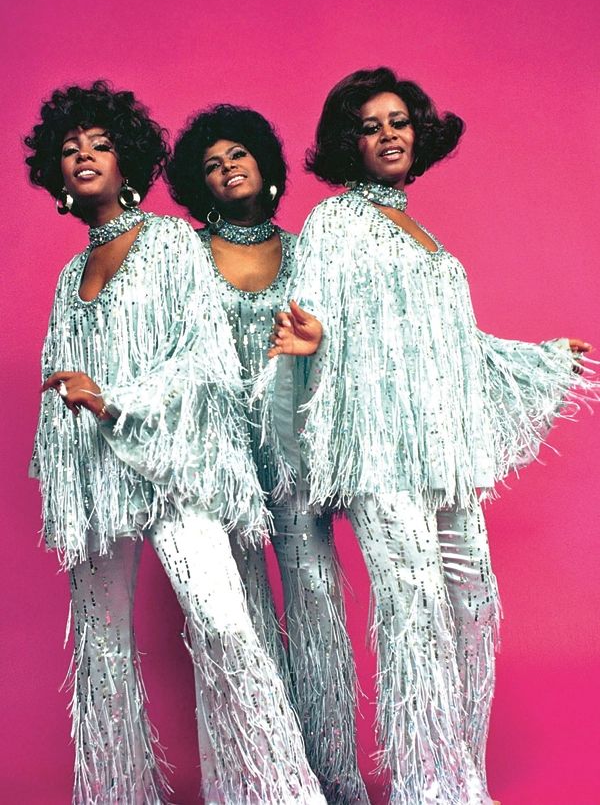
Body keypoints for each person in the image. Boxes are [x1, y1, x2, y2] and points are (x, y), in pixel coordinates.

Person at [264, 67, 596, 805]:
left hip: (440, 457)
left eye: (400, 121)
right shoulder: (335, 222)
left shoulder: (422, 232)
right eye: (371, 125)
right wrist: (311, 333)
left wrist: (541, 358)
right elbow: (311, 312)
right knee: (414, 615)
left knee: (473, 606)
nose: (388, 135)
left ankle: (459, 777)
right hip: (380, 460)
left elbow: (456, 346)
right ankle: (429, 789)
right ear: (349, 143)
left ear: (420, 134)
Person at [25, 81, 326, 805]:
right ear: (58, 179)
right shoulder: (71, 277)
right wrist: (70, 479)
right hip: (97, 479)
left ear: (128, 162)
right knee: (101, 649)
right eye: (70, 151)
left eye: (100, 145)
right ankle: (115, 794)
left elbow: (204, 356)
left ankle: (285, 794)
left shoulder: (166, 242)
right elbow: (57, 392)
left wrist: (118, 401)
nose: (85, 157)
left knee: (225, 625)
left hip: (175, 467)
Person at [167, 104, 368, 805]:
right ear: (200, 184)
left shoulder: (308, 250)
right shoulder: (184, 255)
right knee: (241, 614)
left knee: (315, 601)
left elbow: (340, 340)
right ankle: (264, 782)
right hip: (216, 453)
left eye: (239, 155)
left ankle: (334, 775)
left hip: (293, 450)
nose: (227, 168)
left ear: (265, 165)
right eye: (212, 164)